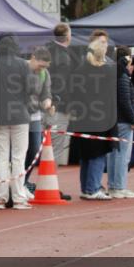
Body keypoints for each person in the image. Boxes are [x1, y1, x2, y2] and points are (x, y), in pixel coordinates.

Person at [0, 36, 33, 209]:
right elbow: (29, 90)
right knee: (19, 157)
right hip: (19, 114)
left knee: (0, 157)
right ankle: (19, 198)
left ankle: (1, 198)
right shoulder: (23, 65)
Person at [70, 35, 117, 200]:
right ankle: (93, 188)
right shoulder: (106, 70)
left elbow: (73, 94)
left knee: (86, 154)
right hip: (100, 118)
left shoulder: (80, 69)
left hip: (83, 117)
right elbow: (110, 97)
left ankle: (86, 188)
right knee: (98, 153)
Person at [106, 47, 134, 198]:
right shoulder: (123, 77)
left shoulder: (114, 74)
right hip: (123, 120)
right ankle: (119, 186)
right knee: (122, 155)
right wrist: (133, 119)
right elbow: (125, 100)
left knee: (113, 154)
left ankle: (113, 185)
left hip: (114, 119)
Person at [24, 46, 54, 194]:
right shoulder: (22, 68)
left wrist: (47, 102)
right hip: (20, 115)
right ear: (33, 58)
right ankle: (17, 182)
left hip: (35, 116)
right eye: (40, 66)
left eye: (45, 67)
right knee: (19, 151)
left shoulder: (44, 73)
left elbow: (46, 93)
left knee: (34, 150)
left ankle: (24, 181)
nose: (41, 69)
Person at [45, 23, 75, 166]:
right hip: (57, 106)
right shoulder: (63, 56)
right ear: (67, 36)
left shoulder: (46, 49)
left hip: (42, 103)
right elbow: (61, 84)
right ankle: (50, 185)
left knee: (43, 146)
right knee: (55, 147)